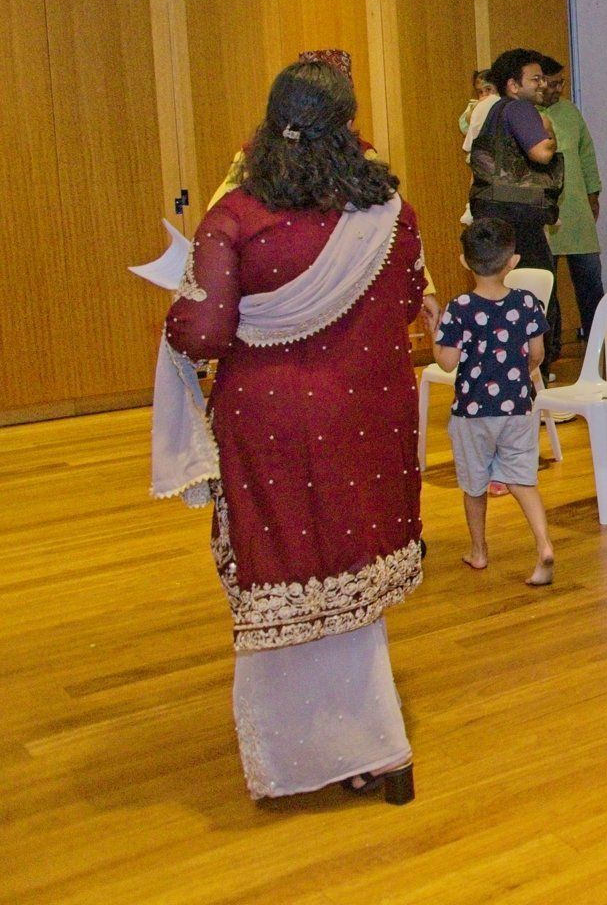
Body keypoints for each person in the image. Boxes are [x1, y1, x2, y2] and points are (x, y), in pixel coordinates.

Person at [160, 60, 425, 803]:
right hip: (366, 415)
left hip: (273, 422)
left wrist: (178, 307)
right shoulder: (389, 213)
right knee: (349, 565)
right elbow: (408, 301)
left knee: (283, 569)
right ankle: (373, 743)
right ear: (348, 126)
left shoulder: (236, 218)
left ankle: (308, 758)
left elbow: (203, 333)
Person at [433, 218, 555, 587]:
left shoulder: (459, 308)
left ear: (464, 261)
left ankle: (479, 551)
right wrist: (517, 374)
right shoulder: (527, 302)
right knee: (523, 481)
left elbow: (447, 362)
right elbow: (537, 354)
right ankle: (544, 545)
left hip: (472, 413)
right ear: (513, 261)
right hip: (517, 408)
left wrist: (436, 331)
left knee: (474, 486)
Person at [470, 48, 561, 376]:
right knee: (535, 293)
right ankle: (536, 374)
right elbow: (541, 154)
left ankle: (503, 371)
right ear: (513, 85)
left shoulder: (495, 111)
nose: (542, 84)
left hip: (494, 215)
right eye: (535, 79)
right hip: (520, 219)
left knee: (500, 295)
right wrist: (549, 132)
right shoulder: (521, 109)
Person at [535, 54, 603, 349]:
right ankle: (550, 347)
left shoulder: (570, 112)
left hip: (576, 207)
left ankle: (599, 339)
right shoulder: (525, 114)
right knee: (545, 286)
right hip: (544, 212)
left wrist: (593, 193)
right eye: (552, 83)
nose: (558, 89)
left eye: (560, 83)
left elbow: (587, 153)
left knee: (590, 280)